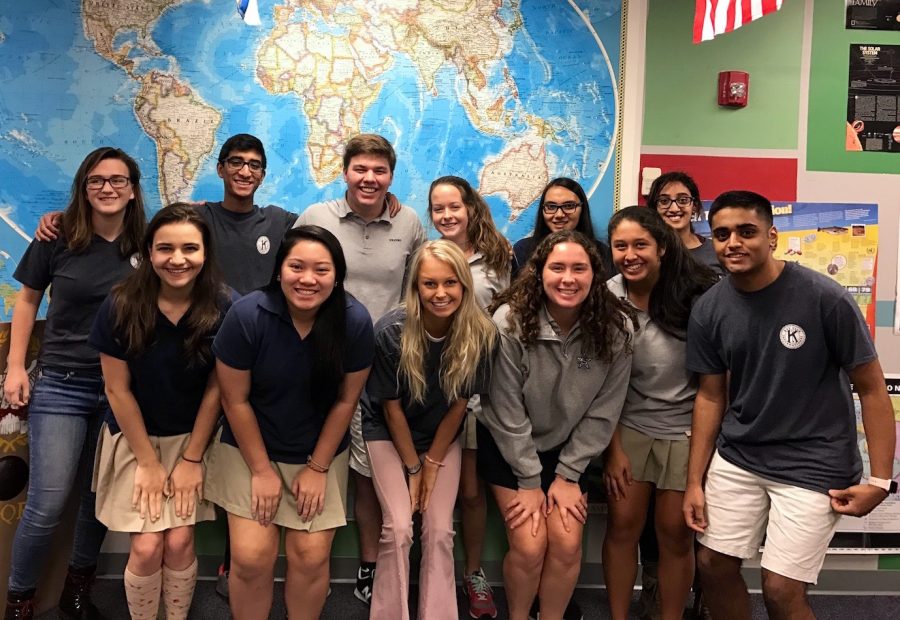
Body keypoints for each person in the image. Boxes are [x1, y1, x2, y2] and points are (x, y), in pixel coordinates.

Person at [682, 190, 896, 620]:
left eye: (747, 232)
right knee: (711, 565)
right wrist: (693, 481)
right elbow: (710, 395)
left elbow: (872, 389)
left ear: (772, 236)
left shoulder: (824, 297)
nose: (733, 243)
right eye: (722, 234)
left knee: (780, 590)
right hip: (740, 454)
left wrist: (880, 480)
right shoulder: (709, 309)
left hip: (814, 462)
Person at [3, 146, 146, 620]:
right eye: (97, 180)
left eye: (118, 180)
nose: (107, 188)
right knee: (46, 504)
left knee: (95, 499)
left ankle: (76, 589)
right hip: (61, 383)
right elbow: (27, 302)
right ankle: (19, 600)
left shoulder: (148, 242)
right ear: (84, 188)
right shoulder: (57, 235)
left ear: (132, 190)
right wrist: (17, 367)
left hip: (120, 390)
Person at [205, 225, 374, 620]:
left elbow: (347, 400)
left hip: (319, 449)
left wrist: (317, 468)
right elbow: (234, 399)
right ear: (279, 269)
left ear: (337, 276)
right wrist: (262, 471)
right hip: (250, 448)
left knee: (311, 557)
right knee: (249, 557)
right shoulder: (247, 314)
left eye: (321, 270)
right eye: (296, 266)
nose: (308, 279)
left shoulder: (354, 321)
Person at [293, 133, 425, 605]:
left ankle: (370, 565)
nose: (369, 179)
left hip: (382, 368)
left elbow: (417, 297)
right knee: (315, 459)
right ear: (345, 171)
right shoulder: (316, 218)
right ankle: (310, 564)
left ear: (391, 175)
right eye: (360, 170)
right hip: (322, 360)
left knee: (369, 472)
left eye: (379, 171)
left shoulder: (409, 222)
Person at [480, 230, 633, 620]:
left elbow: (605, 409)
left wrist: (568, 475)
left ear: (595, 275)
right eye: (558, 268)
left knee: (566, 544)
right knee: (530, 546)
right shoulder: (509, 321)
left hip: (569, 451)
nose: (569, 278)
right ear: (539, 272)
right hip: (509, 445)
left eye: (579, 268)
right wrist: (530, 482)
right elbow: (505, 408)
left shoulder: (616, 329)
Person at [88, 204, 231, 620]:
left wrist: (191, 458)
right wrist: (148, 463)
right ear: (149, 252)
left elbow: (218, 389)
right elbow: (116, 389)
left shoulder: (224, 305)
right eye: (165, 248)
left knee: (181, 541)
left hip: (193, 439)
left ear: (205, 253)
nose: (178, 259)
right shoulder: (121, 304)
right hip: (135, 439)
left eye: (190, 248)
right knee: (148, 545)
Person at [362, 240, 496, 620]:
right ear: (416, 287)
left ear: (464, 286)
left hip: (442, 433)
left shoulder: (481, 333)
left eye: (450, 283)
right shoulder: (390, 331)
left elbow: (459, 405)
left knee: (438, 531)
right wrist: (414, 469)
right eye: (429, 284)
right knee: (399, 528)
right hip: (388, 433)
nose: (440, 293)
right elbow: (390, 409)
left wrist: (432, 462)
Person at [601, 207, 718, 620]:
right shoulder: (606, 296)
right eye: (620, 246)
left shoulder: (697, 294)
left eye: (640, 245)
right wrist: (612, 450)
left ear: (661, 248)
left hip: (685, 433)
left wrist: (696, 472)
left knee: (675, 536)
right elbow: (601, 386)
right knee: (622, 528)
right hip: (628, 428)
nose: (630, 254)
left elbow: (713, 386)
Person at [427, 175, 510, 618]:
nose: (446, 215)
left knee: (472, 491)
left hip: (479, 392)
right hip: (432, 391)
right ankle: (425, 573)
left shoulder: (499, 256)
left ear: (471, 207)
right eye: (438, 209)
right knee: (427, 485)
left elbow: (509, 322)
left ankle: (474, 572)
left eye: (453, 206)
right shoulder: (428, 256)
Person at [511, 177, 613, 279]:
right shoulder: (523, 250)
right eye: (551, 206)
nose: (559, 214)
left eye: (568, 206)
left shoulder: (602, 253)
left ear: (582, 209)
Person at [646, 171, 724, 276]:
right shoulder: (647, 253)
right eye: (664, 201)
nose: (674, 208)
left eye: (683, 200)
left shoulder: (717, 251)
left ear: (695, 206)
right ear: (654, 208)